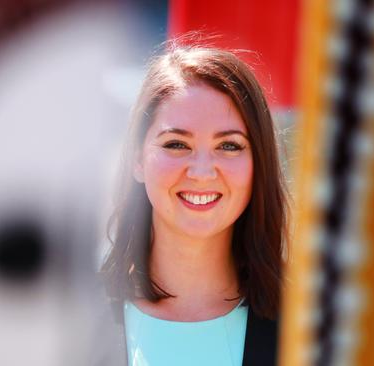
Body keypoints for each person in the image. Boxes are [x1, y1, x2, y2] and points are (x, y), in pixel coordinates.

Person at [99, 42, 288, 366]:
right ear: (137, 159)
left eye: (229, 145)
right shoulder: (73, 313)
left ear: (259, 165)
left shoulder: (307, 328)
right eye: (176, 144)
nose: (201, 172)